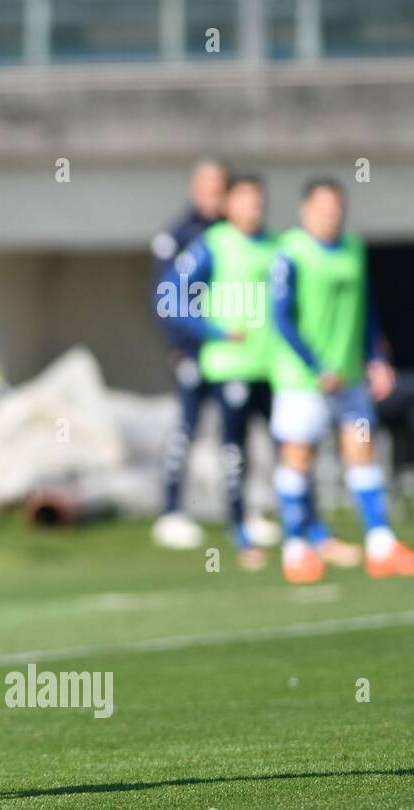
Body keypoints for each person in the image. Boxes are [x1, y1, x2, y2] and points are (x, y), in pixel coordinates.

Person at [269, 178, 414, 582]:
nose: (331, 216)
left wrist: (375, 357)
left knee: (361, 450)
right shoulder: (290, 251)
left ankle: (380, 544)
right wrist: (316, 367)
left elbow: (364, 308)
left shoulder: (352, 247)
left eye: (337, 209)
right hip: (303, 381)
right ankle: (296, 547)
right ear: (305, 211)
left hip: (349, 379)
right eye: (323, 209)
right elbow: (280, 317)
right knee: (298, 459)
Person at [157, 174, 276, 569]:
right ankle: (190, 515)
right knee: (216, 440)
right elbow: (168, 295)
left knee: (282, 445)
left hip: (272, 366)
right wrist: (212, 332)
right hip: (224, 365)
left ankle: (292, 527)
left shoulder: (276, 245)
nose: (254, 209)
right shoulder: (204, 242)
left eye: (259, 201)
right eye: (246, 201)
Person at [150, 159, 231, 549]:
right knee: (186, 428)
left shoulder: (235, 234)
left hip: (236, 355)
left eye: (222, 185)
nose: (216, 193)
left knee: (237, 431)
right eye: (209, 185)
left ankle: (241, 512)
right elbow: (166, 296)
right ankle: (171, 511)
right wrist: (178, 346)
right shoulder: (178, 237)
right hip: (195, 352)